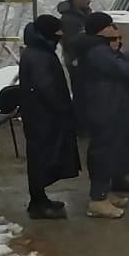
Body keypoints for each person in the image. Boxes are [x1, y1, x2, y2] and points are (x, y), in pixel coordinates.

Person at [70, 12, 129, 219]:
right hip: (103, 107)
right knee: (103, 151)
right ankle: (98, 200)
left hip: (109, 105)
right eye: (111, 26)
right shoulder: (97, 51)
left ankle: (105, 193)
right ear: (101, 29)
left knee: (111, 148)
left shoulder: (100, 49)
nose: (115, 29)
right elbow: (126, 71)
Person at [18, 15, 81, 220]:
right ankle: (37, 203)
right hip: (42, 116)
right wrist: (63, 107)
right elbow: (45, 87)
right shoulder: (38, 55)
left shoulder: (38, 50)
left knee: (41, 156)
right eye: (57, 33)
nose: (60, 37)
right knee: (40, 158)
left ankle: (40, 198)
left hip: (41, 115)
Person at [57, 0, 93, 136]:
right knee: (81, 93)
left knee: (89, 93)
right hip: (76, 60)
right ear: (76, 0)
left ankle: (88, 123)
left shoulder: (86, 15)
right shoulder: (68, 19)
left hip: (88, 59)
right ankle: (81, 126)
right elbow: (71, 42)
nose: (88, 0)